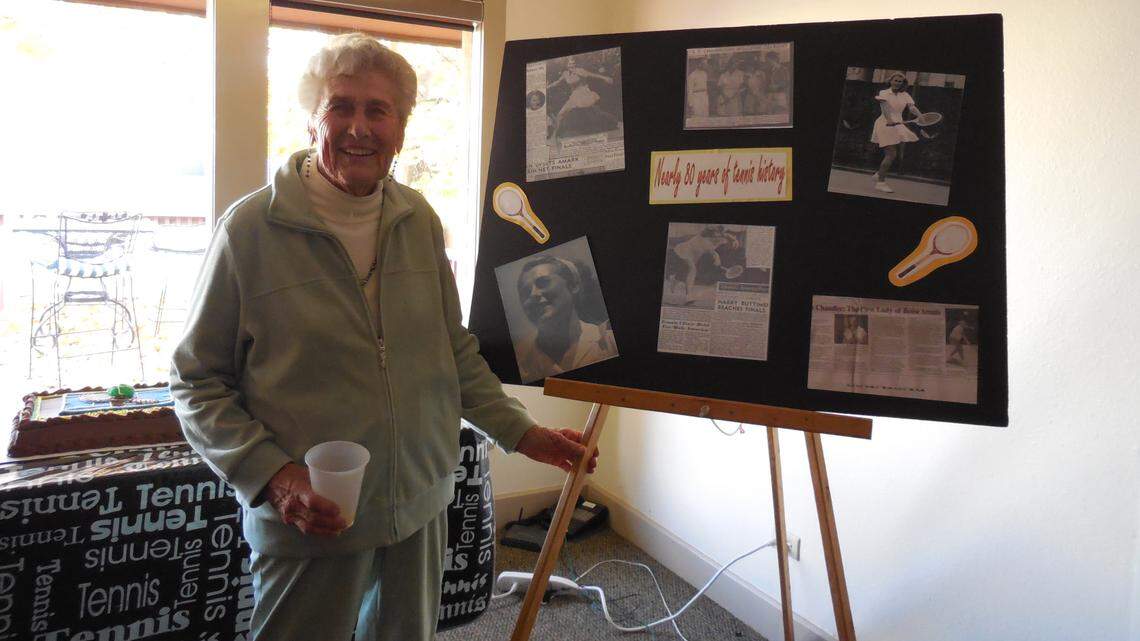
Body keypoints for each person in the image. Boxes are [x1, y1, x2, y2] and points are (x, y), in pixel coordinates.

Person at [170, 33, 598, 641]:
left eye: (379, 110)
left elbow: (452, 351)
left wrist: (522, 432)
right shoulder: (249, 232)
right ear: (310, 119)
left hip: (417, 503)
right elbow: (196, 380)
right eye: (340, 106)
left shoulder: (418, 220)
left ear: (401, 127)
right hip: (314, 511)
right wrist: (274, 476)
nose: (358, 127)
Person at [514, 255, 617, 382]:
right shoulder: (520, 365)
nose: (533, 294)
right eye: (525, 291)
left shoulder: (610, 344)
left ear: (573, 285)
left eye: (543, 282)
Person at [870, 71, 926, 194]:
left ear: (903, 84)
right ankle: (880, 183)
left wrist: (921, 115)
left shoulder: (905, 94)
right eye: (895, 80)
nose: (897, 83)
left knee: (893, 154)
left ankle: (878, 174)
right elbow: (884, 108)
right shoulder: (884, 93)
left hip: (898, 124)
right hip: (884, 123)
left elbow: (912, 107)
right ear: (890, 81)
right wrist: (890, 120)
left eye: (900, 81)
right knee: (891, 154)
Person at [546, 56, 615, 141]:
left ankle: (612, 121)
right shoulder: (565, 73)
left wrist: (605, 78)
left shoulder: (580, 71)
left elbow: (592, 75)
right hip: (574, 96)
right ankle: (554, 136)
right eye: (570, 63)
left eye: (573, 63)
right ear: (566, 65)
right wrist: (547, 87)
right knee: (561, 114)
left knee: (595, 111)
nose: (572, 65)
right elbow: (557, 82)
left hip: (584, 94)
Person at [665, 225, 736, 304]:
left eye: (720, 234)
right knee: (692, 270)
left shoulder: (718, 238)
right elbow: (712, 252)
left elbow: (726, 237)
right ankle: (689, 296)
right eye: (717, 234)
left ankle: (674, 280)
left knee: (684, 273)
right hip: (684, 250)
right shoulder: (704, 240)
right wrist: (717, 257)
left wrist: (733, 240)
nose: (719, 236)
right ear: (711, 235)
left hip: (694, 256)